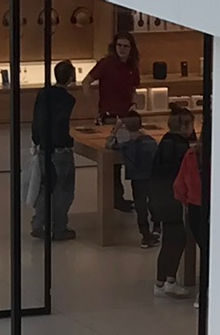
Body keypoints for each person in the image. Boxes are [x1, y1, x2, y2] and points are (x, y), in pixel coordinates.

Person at [30, 59, 78, 241]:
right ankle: (59, 227)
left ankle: (39, 223)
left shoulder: (43, 94)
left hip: (43, 147)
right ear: (71, 77)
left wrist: (37, 140)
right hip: (60, 150)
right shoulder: (68, 100)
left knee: (45, 187)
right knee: (63, 190)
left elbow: (37, 119)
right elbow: (60, 124)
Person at [151, 109, 195, 298]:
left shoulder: (167, 141)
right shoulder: (181, 146)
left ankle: (168, 279)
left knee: (173, 239)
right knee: (175, 240)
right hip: (171, 198)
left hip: (160, 195)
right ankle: (162, 281)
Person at [112, 112, 159, 245]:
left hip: (137, 178)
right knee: (153, 201)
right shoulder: (149, 140)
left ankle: (145, 233)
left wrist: (115, 129)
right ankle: (157, 227)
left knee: (140, 205)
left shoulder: (125, 143)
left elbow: (109, 144)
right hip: (151, 176)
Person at [175, 131, 207, 297]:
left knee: (204, 249)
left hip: (195, 207)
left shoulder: (191, 155)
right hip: (216, 207)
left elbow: (179, 185)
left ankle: (202, 293)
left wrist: (186, 201)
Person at [84, 34, 140, 124]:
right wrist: (94, 109)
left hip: (127, 114)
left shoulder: (133, 66)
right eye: (119, 45)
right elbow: (86, 82)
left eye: (125, 46)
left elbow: (133, 88)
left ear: (131, 48)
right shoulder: (105, 64)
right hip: (108, 115)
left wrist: (134, 104)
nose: (122, 49)